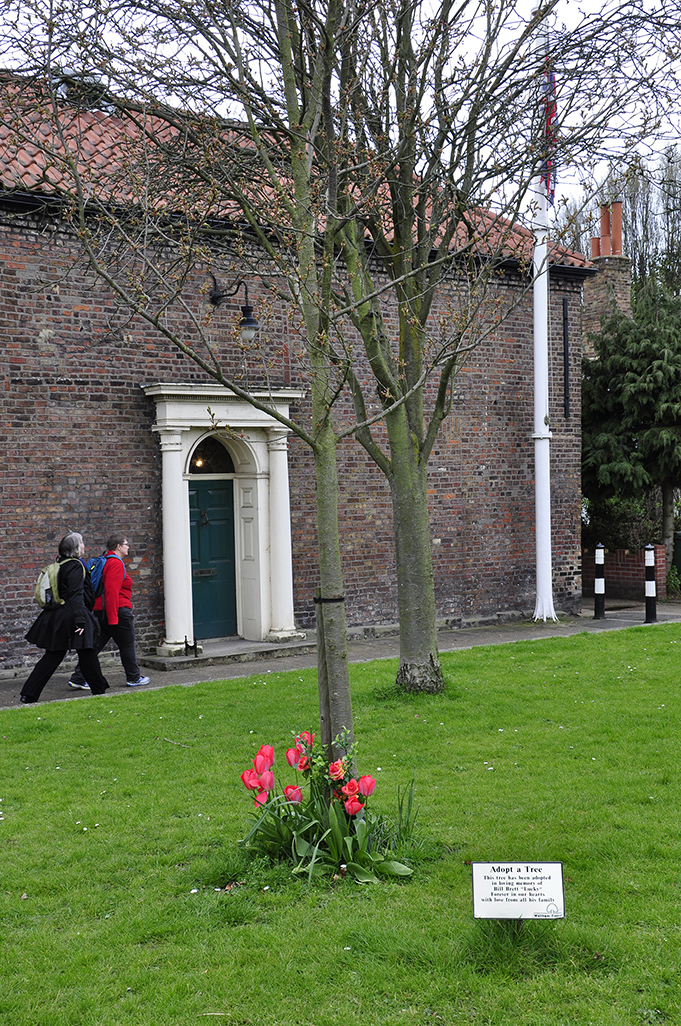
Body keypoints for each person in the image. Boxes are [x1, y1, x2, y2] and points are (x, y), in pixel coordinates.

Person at [21, 533, 109, 703]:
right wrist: (81, 620)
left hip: (59, 615)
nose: (84, 546)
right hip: (73, 615)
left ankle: (29, 693)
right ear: (75, 548)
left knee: (55, 655)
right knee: (86, 653)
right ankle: (99, 689)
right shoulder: (75, 566)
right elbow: (76, 595)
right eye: (82, 543)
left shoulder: (60, 564)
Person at [68, 532, 150, 689]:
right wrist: (113, 619)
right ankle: (133, 677)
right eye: (126, 544)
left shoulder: (105, 561)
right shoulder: (115, 563)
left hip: (101, 611)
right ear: (118, 547)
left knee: (95, 646)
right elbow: (111, 592)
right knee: (127, 645)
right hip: (116, 612)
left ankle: (79, 677)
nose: (128, 547)